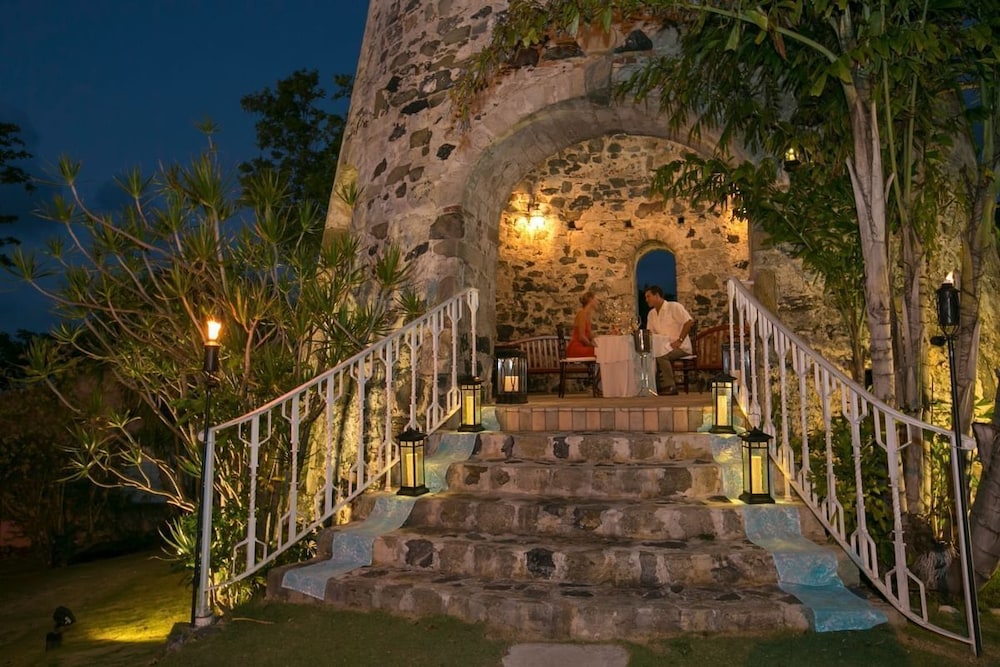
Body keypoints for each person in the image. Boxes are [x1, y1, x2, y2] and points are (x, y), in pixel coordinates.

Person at [643, 285, 693, 395]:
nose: (646, 300)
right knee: (647, 356)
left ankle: (670, 386)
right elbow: (650, 333)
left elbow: (689, 322)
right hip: (663, 347)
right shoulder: (651, 314)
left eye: (648, 296)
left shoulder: (674, 307)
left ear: (657, 295)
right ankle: (653, 387)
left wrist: (679, 340)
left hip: (680, 347)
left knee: (662, 355)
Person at [565, 291, 599, 357]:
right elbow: (582, 337)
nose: (598, 302)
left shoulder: (588, 315)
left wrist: (598, 342)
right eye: (596, 299)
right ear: (590, 299)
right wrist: (592, 346)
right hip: (577, 347)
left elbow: (590, 335)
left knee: (601, 351)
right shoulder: (582, 313)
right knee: (599, 353)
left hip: (583, 346)